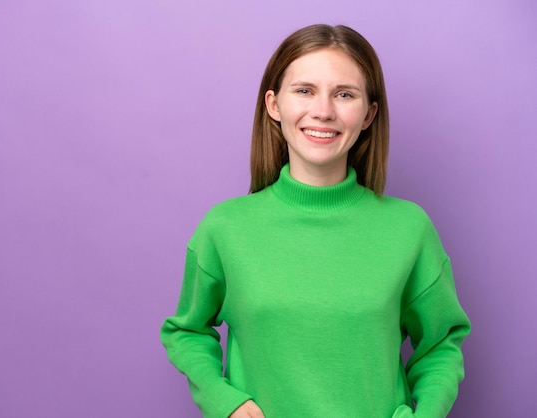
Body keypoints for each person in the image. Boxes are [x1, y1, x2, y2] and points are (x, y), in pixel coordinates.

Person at [160, 24, 470, 418]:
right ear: (274, 105)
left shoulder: (409, 229)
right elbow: (185, 331)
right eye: (304, 90)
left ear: (369, 114)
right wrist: (225, 402)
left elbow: (441, 344)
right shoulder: (225, 228)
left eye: (344, 94)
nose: (323, 110)